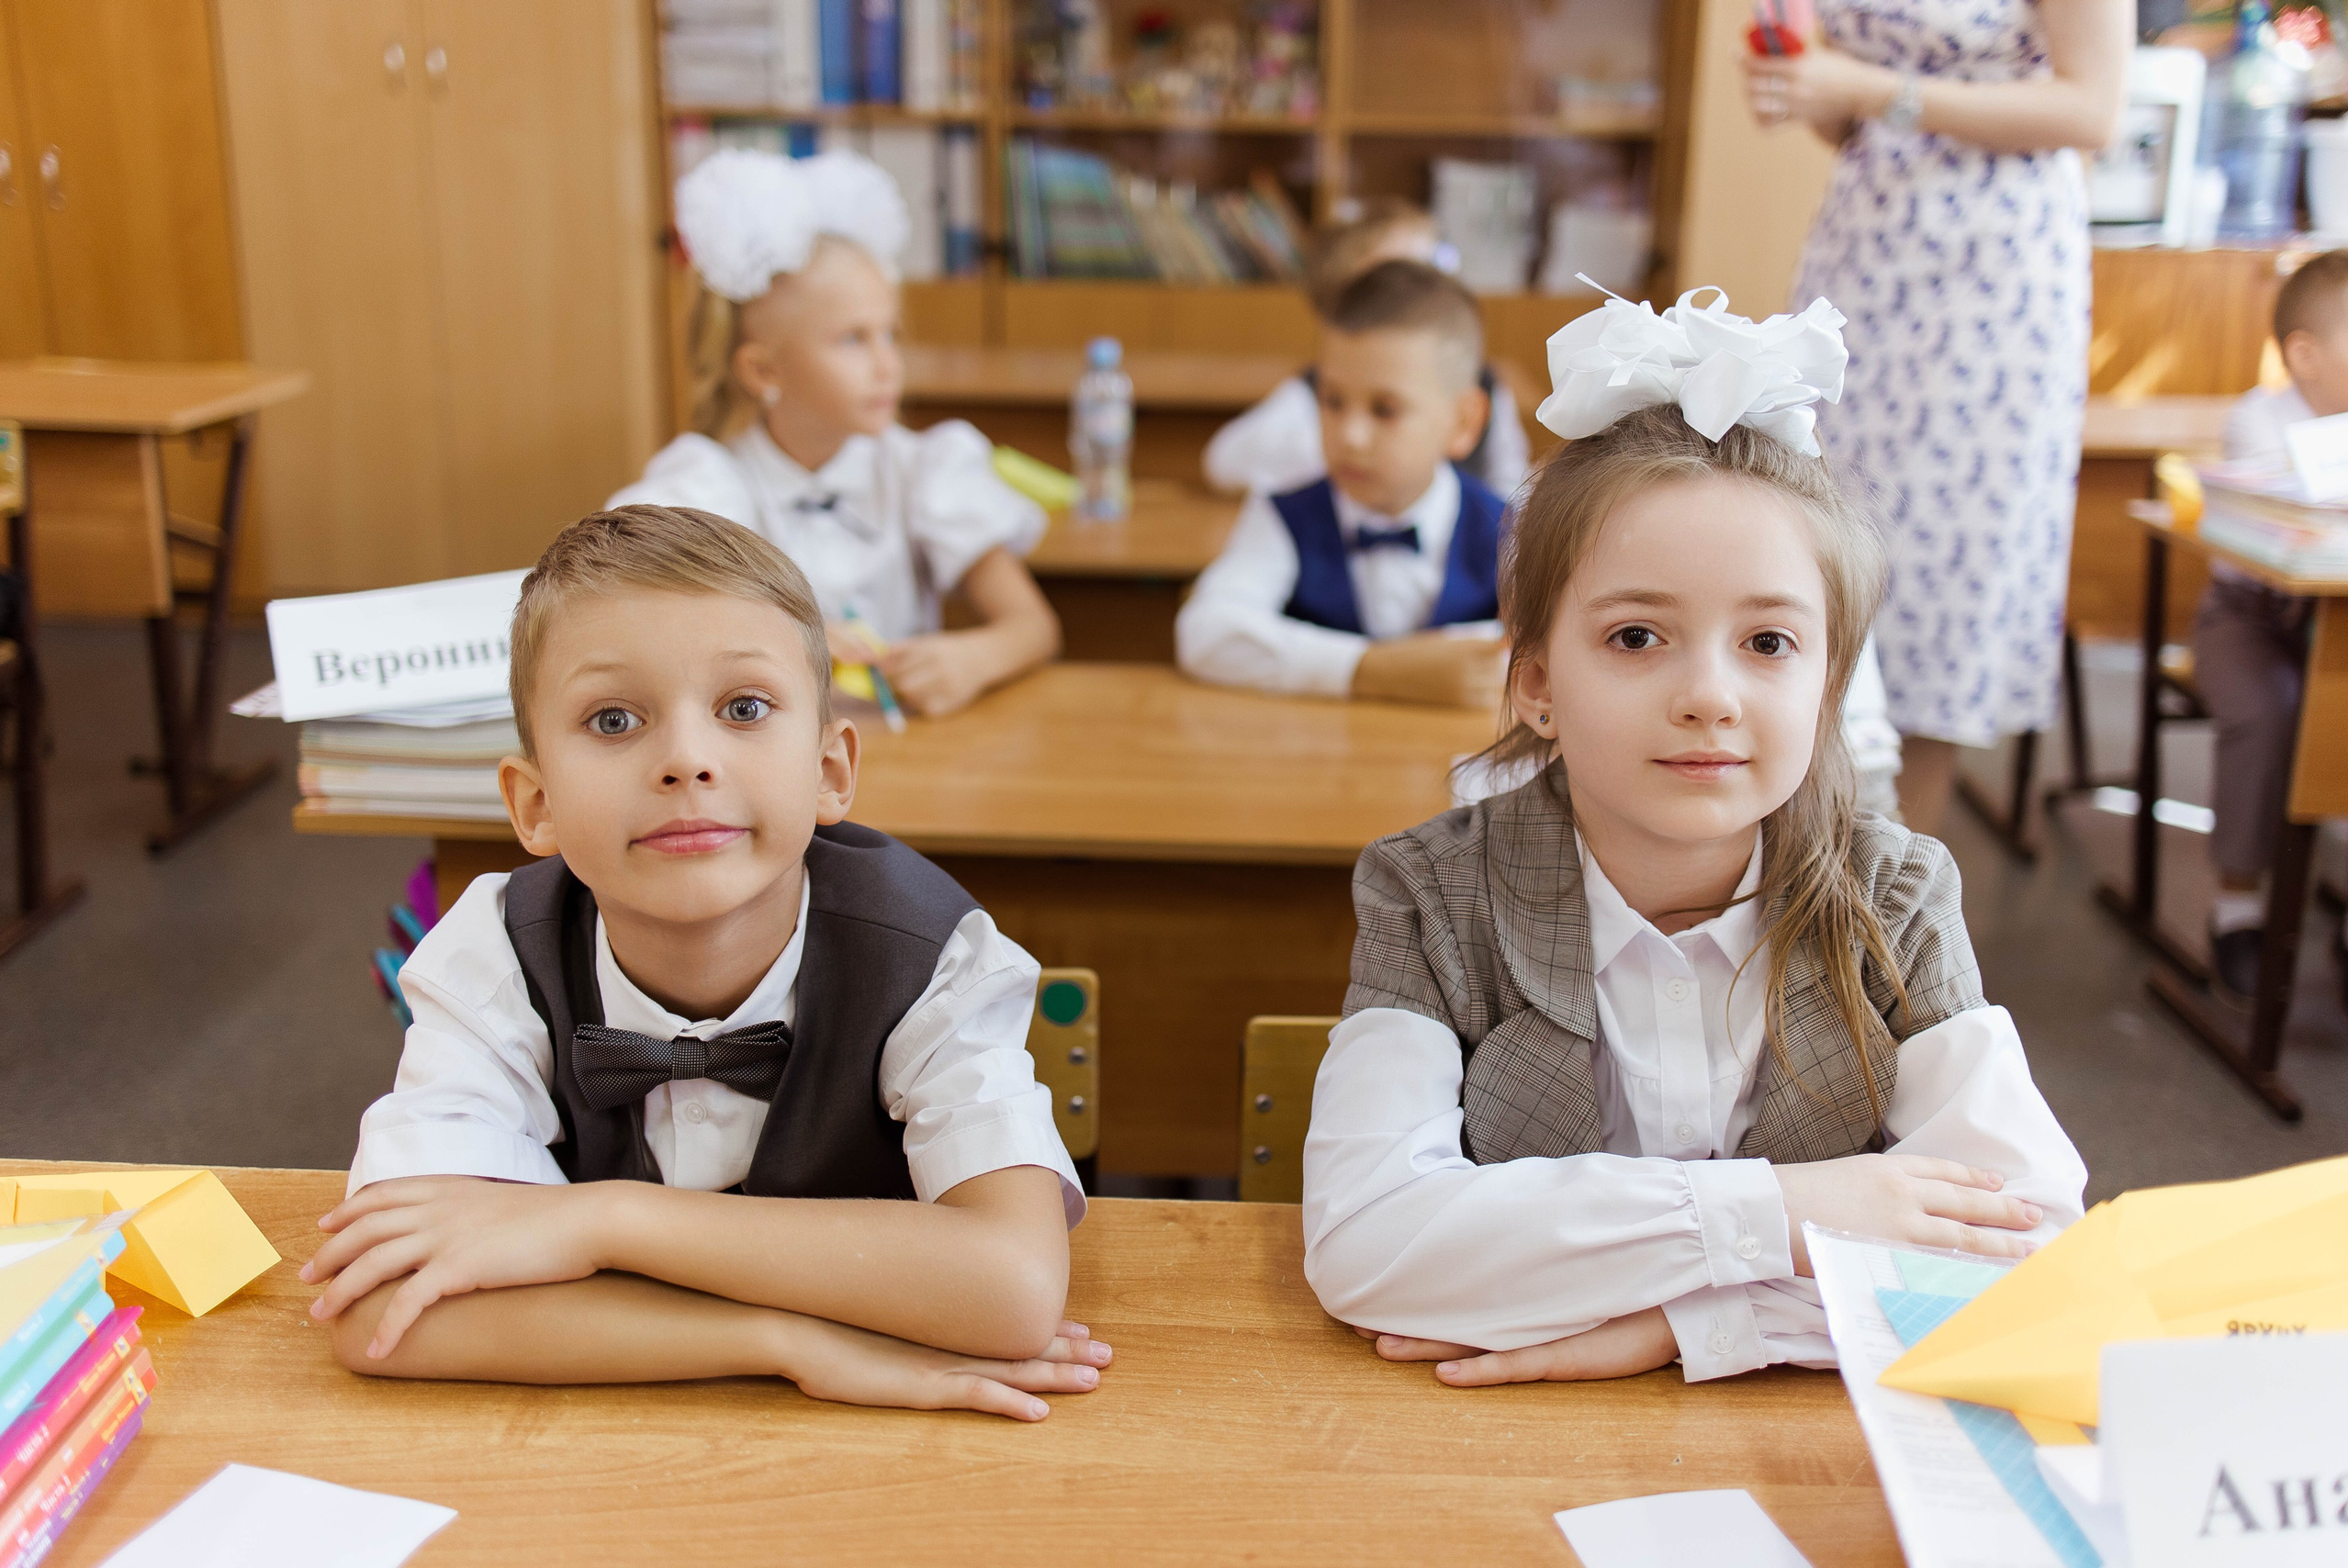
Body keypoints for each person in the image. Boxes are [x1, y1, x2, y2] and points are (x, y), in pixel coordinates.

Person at [1300, 288, 2084, 1386]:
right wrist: (1791, 1211)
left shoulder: (1895, 897)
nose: (1709, 695)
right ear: (1536, 683)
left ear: (1826, 688)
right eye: (1636, 636)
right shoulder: (1432, 893)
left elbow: (2035, 1250)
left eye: (1768, 641)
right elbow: (1367, 1243)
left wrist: (1698, 1328)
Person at [306, 505, 1108, 1421]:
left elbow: (1012, 1287)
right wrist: (784, 1342)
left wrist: (599, 1219)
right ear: (534, 805)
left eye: (743, 708)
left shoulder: (930, 953)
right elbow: (378, 1310)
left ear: (830, 771)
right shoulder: (492, 951)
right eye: (614, 719)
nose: (686, 759)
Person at [1747, 0, 2132, 834]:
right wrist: (1808, 92)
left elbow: (2093, 110)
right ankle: (1773, 853)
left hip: (1994, 274)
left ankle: (1885, 894)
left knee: (1937, 581)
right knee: (1812, 533)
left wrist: (1872, 87)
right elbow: (1854, 124)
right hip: (1868, 249)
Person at [610, 149, 1059, 717]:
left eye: (890, 335)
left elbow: (1034, 627)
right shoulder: (710, 488)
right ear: (764, 371)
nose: (887, 364)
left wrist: (974, 659)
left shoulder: (922, 469)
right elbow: (633, 605)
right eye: (853, 340)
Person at [1176, 260, 1510, 708]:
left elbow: (1557, 651)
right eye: (1332, 401)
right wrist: (1371, 669)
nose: (1349, 436)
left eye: (1385, 410)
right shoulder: (1282, 515)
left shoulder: (1513, 529)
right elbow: (1206, 633)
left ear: (1463, 422)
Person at [2193, 251, 2348, 1003]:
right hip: (2253, 622)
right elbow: (2289, 525)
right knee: (2268, 712)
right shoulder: (2260, 419)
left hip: (2340, 625)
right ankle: (2238, 908)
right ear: (2305, 355)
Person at [1202, 198, 1532, 502]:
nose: (1429, 289)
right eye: (1395, 283)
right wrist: (1338, 455)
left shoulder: (1482, 384)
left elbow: (1511, 484)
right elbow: (1223, 461)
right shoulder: (1318, 391)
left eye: (1436, 263)